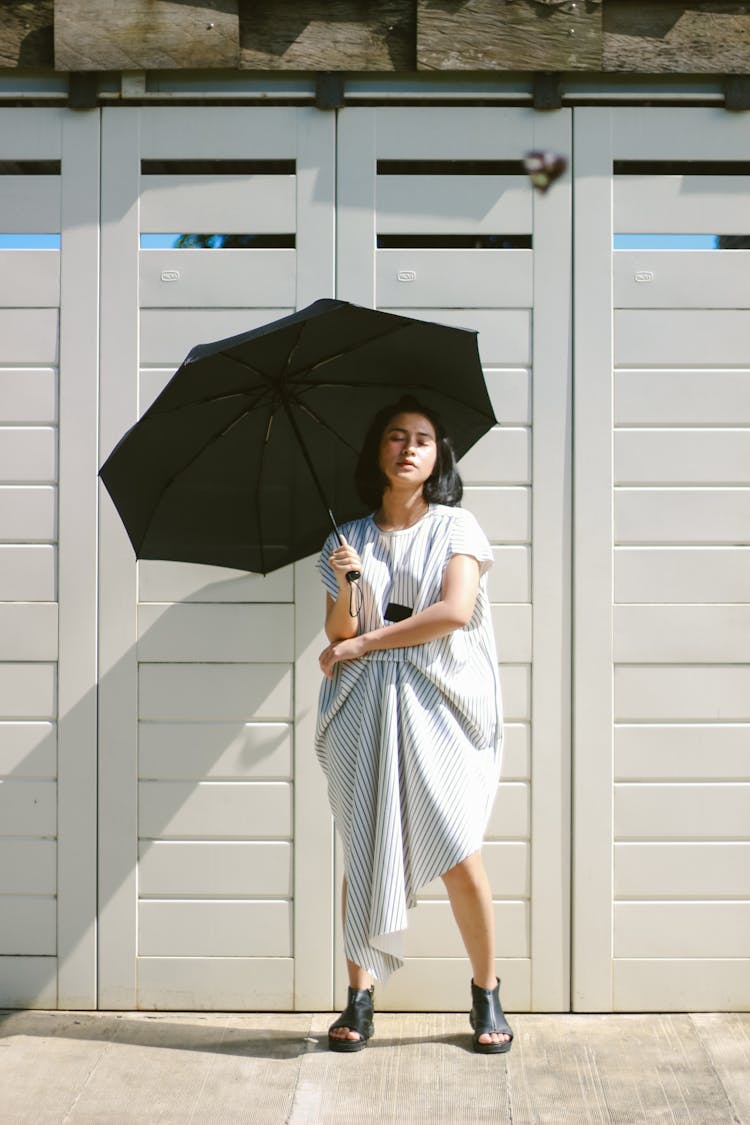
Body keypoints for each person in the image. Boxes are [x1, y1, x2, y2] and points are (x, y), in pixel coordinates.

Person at [315, 395, 512, 1055]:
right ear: (377, 450)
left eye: (422, 439)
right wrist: (348, 581)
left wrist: (365, 644)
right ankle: (359, 998)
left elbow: (454, 611)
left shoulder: (458, 526)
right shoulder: (347, 538)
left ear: (438, 456)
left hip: (438, 707)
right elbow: (340, 628)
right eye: (395, 436)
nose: (408, 447)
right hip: (366, 710)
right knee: (366, 849)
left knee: (458, 848)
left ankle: (487, 990)